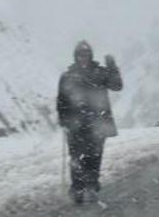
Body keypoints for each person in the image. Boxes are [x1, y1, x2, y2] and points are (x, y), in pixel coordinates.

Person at [57, 40, 123, 204]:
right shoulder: (67, 76)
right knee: (76, 157)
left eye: (86, 54)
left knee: (94, 156)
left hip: (97, 124)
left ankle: (91, 186)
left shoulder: (100, 73)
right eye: (80, 54)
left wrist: (113, 68)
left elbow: (117, 86)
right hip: (76, 125)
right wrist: (64, 119)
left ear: (90, 55)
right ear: (76, 56)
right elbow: (61, 100)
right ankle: (78, 188)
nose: (83, 57)